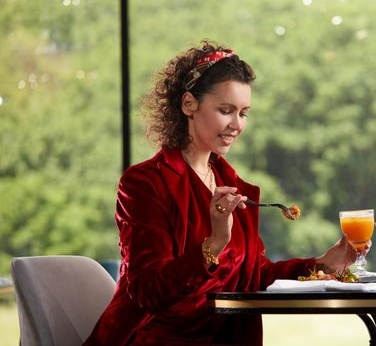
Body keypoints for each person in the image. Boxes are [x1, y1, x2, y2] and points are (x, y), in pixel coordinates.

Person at [83, 40, 357, 346]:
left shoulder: (232, 184)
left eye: (244, 113)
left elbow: (253, 274)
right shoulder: (145, 183)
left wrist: (320, 265)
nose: (236, 125)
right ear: (189, 104)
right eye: (226, 110)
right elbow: (148, 291)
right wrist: (213, 243)